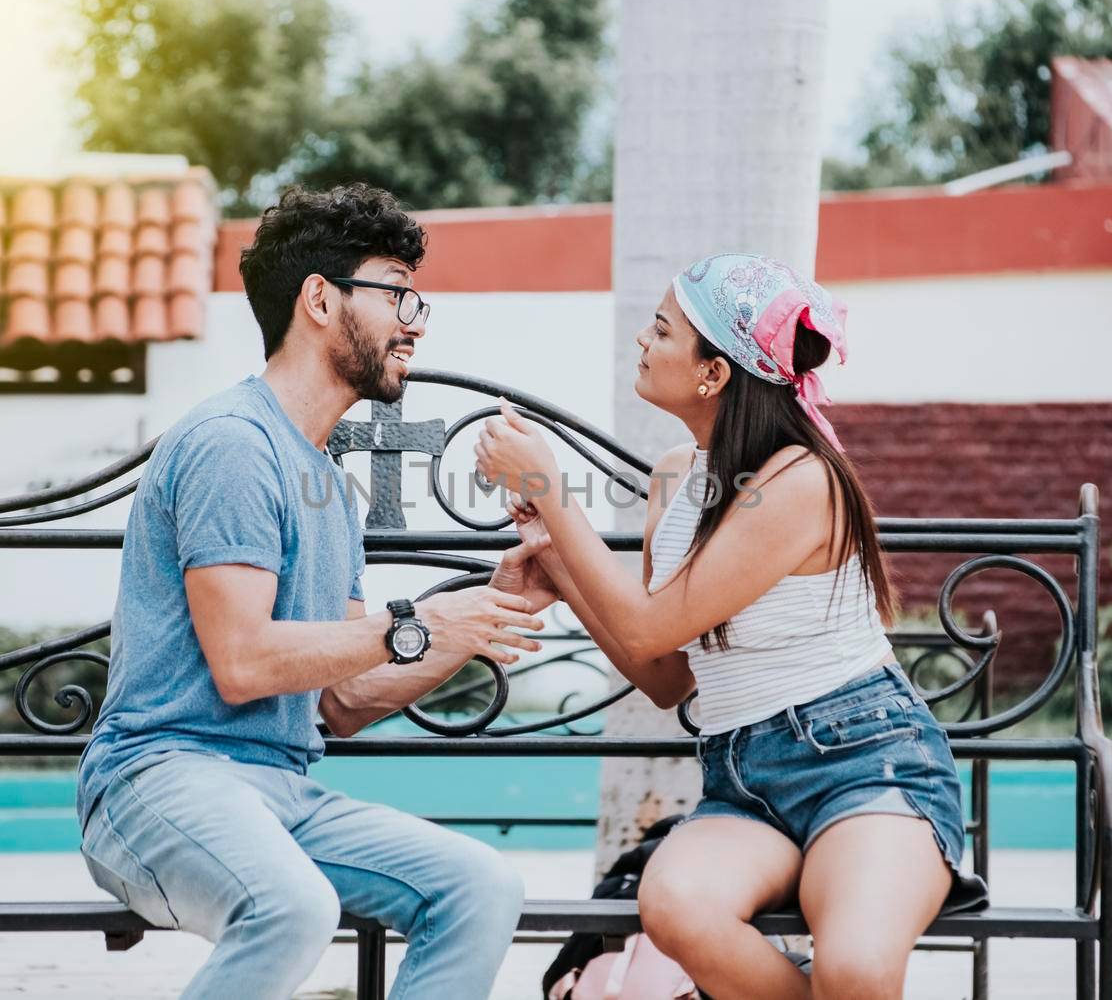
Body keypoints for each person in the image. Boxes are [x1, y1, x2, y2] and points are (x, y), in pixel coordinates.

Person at [77, 183, 556, 1000]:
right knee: (291, 904)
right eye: (397, 292)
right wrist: (417, 622)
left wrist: (484, 611)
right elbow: (243, 660)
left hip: (283, 793)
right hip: (157, 779)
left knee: (480, 885)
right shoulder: (233, 444)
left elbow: (343, 699)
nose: (415, 318)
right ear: (321, 299)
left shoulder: (329, 486)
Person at [475, 252, 988, 1000]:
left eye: (660, 330)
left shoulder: (799, 481)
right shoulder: (675, 478)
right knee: (675, 904)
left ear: (714, 373)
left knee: (856, 969)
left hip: (867, 763)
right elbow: (663, 673)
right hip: (744, 777)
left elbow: (649, 628)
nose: (642, 344)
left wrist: (547, 489)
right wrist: (557, 564)